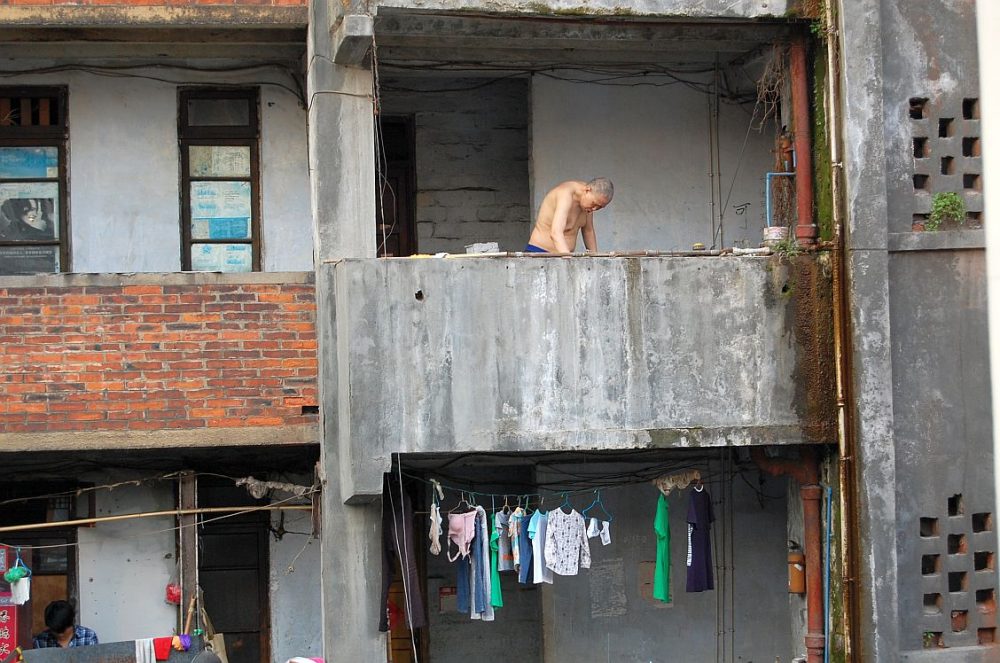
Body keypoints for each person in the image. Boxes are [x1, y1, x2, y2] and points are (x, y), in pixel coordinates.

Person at [525, 178, 614, 254]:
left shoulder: (588, 206)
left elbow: (588, 231)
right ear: (587, 190)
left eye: (599, 207)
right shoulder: (565, 194)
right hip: (540, 252)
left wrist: (595, 259)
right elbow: (556, 233)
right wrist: (569, 261)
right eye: (594, 204)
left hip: (565, 257)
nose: (594, 209)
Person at [32, 600, 99, 649]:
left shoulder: (88, 637)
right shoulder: (40, 641)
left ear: (72, 622)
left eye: (63, 630)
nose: (60, 635)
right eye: (56, 630)